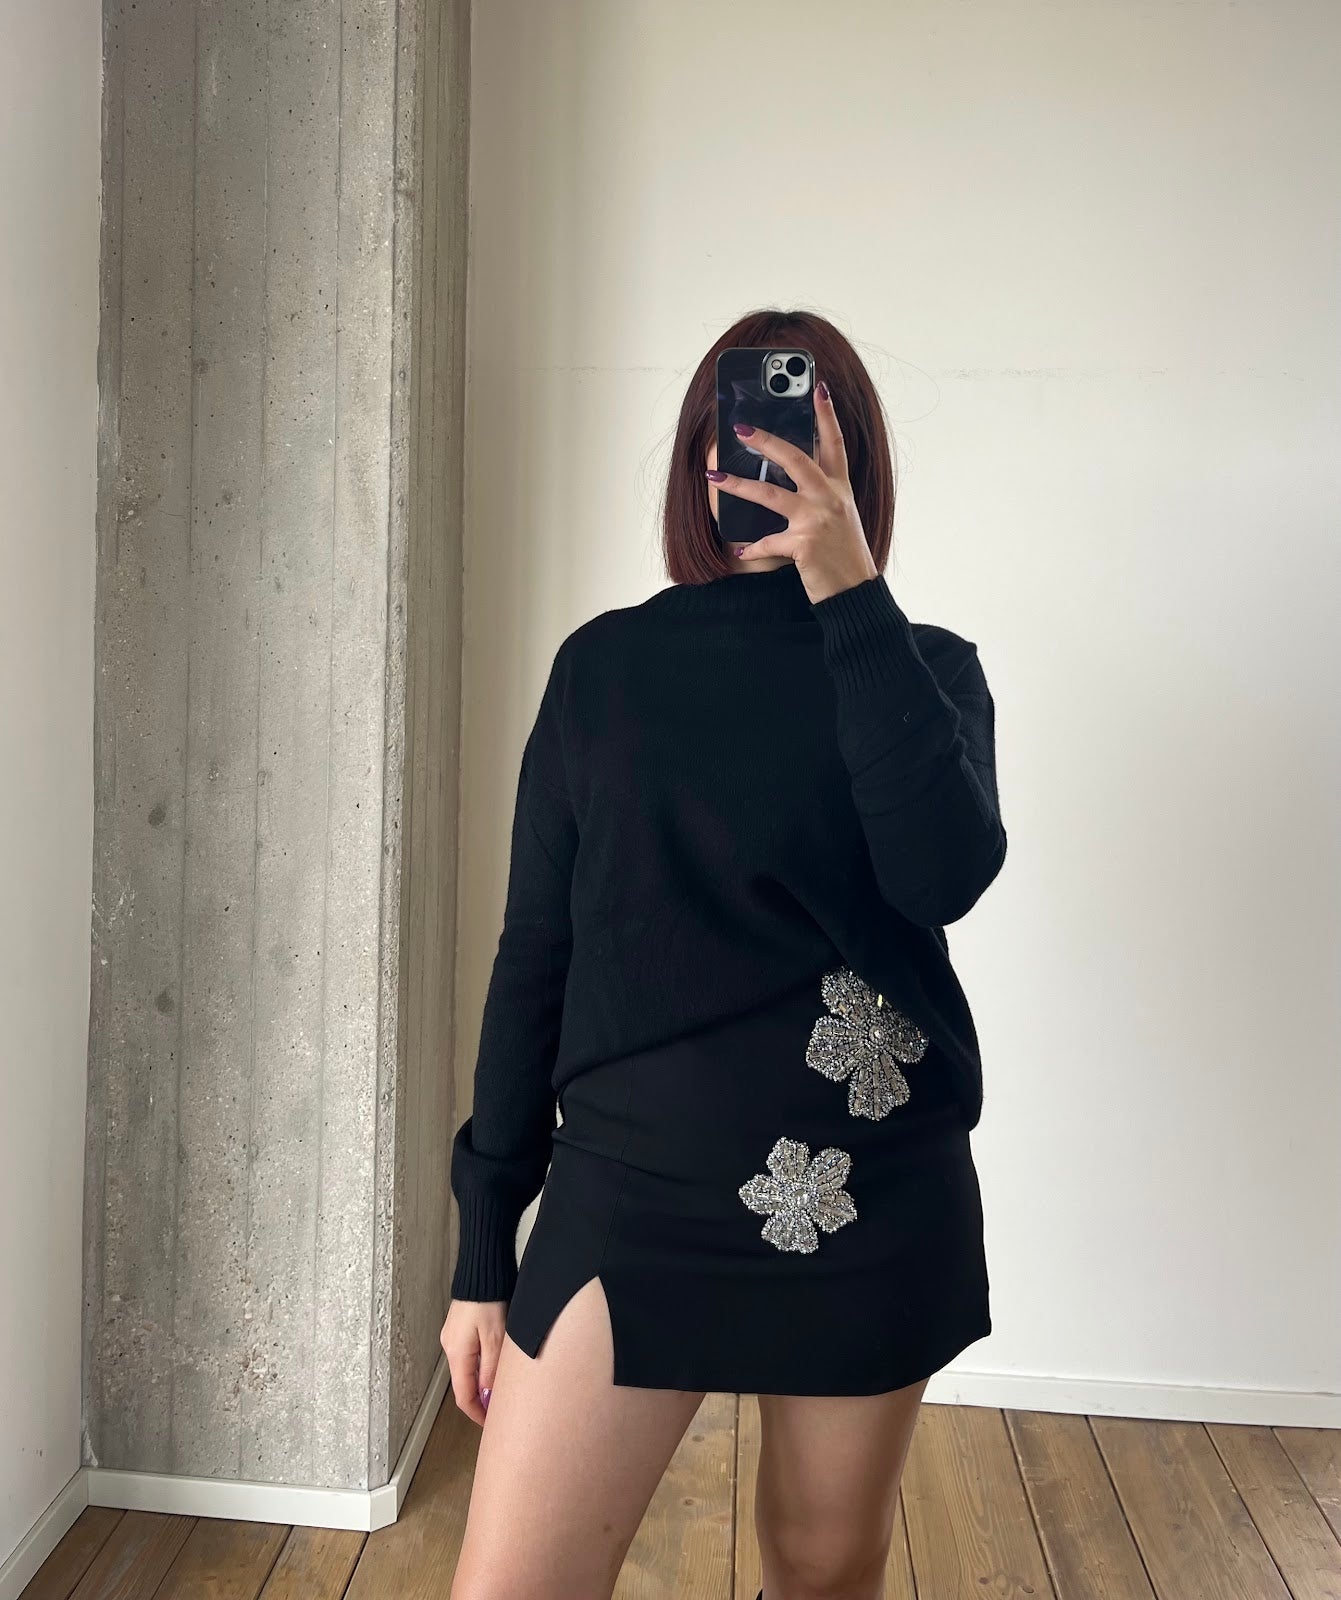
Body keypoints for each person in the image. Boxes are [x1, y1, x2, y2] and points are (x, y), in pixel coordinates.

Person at [441, 309, 1007, 1600]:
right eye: (737, 430)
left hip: (871, 1192)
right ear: (702, 465)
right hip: (631, 1191)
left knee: (821, 1573)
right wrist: (484, 1249)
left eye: (805, 431)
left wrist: (848, 588)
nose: (764, 458)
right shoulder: (603, 671)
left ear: (855, 465)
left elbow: (945, 874)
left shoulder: (925, 672)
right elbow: (534, 958)